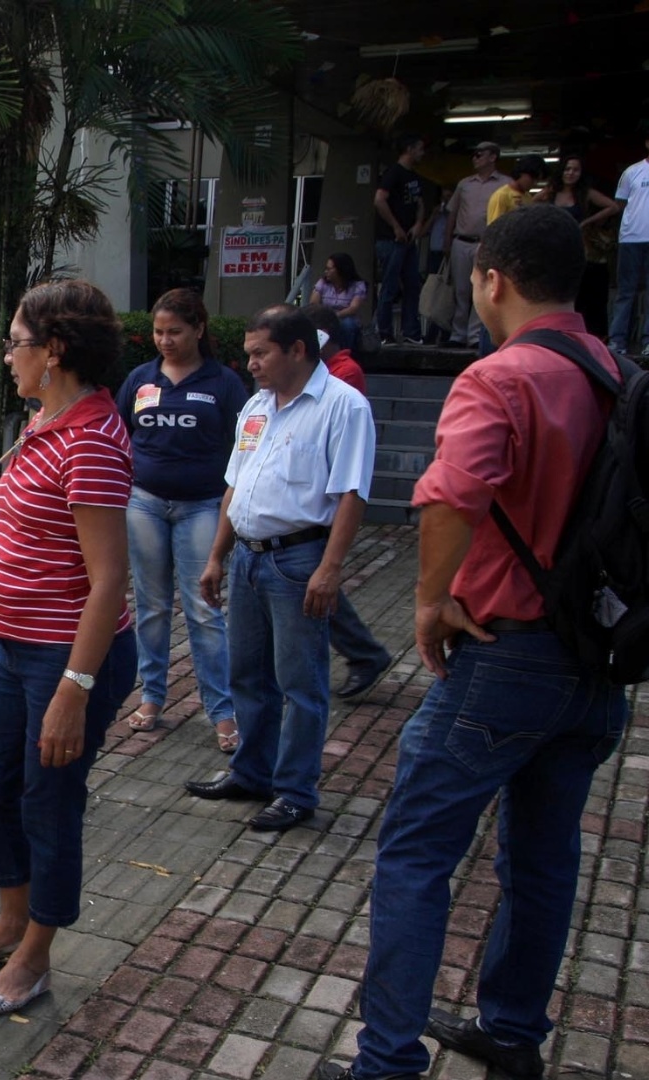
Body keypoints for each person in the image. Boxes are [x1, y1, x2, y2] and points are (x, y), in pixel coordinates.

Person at [318, 208, 630, 1080]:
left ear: (490, 279)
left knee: (416, 852)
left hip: (505, 652)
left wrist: (429, 603)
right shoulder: (617, 370)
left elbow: (451, 494)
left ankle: (386, 1061)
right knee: (542, 857)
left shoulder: (501, 376)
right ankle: (513, 1034)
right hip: (598, 662)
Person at [0, 280, 137, 1019]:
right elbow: (22, 540)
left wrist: (76, 690)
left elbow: (109, 578)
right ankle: (12, 919)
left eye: (16, 342)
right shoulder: (44, 421)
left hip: (66, 659)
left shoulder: (91, 442)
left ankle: (36, 955)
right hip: (14, 645)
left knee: (48, 801)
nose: (8, 355)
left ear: (53, 352)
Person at [183, 305, 375, 833]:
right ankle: (252, 772)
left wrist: (330, 569)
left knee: (300, 683)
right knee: (247, 674)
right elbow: (234, 486)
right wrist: (217, 556)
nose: (251, 364)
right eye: (248, 354)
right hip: (247, 554)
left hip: (299, 560)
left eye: (260, 353)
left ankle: (295, 791)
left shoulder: (343, 407)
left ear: (297, 349)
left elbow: (352, 493)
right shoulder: (256, 409)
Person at [114, 288, 244, 751]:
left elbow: (243, 447)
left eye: (175, 331)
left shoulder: (223, 383)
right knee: (150, 606)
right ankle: (151, 697)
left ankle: (223, 710)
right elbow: (120, 437)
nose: (165, 340)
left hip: (204, 507)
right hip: (145, 504)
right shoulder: (141, 379)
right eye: (158, 332)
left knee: (204, 609)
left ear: (199, 329)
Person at [301, 304, 397, 700]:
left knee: (320, 587)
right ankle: (364, 654)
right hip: (314, 492)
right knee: (313, 590)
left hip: (327, 496)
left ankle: (365, 653)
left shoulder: (344, 373)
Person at [537, 155, 621, 335]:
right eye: (567, 169)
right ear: (561, 171)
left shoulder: (586, 193)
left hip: (579, 251)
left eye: (575, 170)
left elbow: (613, 207)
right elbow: (532, 202)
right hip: (553, 250)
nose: (571, 173)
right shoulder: (551, 191)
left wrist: (587, 222)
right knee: (556, 293)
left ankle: (583, 334)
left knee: (582, 295)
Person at [445, 141, 513, 352]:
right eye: (474, 155)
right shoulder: (464, 184)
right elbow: (452, 213)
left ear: (493, 157)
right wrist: (447, 241)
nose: (475, 158)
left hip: (487, 242)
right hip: (461, 241)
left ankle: (474, 334)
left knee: (480, 288)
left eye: (479, 154)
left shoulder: (506, 184)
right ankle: (458, 333)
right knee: (460, 289)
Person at [372, 134, 429, 344]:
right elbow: (379, 200)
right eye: (420, 149)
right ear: (410, 148)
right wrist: (396, 227)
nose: (422, 153)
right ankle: (384, 332)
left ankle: (410, 331)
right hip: (391, 239)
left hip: (409, 238)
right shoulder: (393, 173)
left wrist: (418, 223)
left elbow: (420, 203)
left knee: (412, 285)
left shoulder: (414, 176)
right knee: (389, 286)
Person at [609, 132, 649, 357]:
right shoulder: (632, 172)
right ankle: (617, 341)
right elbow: (620, 203)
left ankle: (647, 341)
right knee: (626, 291)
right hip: (632, 238)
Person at [311, 253, 368, 352]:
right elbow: (313, 303)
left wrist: (336, 315)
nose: (326, 272)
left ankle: (345, 353)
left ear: (340, 270)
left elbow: (353, 308)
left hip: (345, 317)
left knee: (347, 325)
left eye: (329, 269)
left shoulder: (357, 285)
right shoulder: (323, 283)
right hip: (326, 317)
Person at [485, 155, 544, 225]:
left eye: (537, 180)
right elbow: (494, 229)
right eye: (533, 178)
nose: (535, 183)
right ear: (522, 172)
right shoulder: (501, 196)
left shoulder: (527, 196)